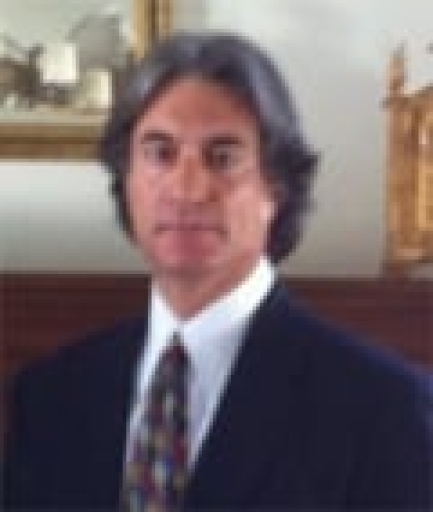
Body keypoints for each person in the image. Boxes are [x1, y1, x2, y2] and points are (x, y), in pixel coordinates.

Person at [3, 31, 432, 511]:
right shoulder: (50, 396)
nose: (186, 189)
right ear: (126, 180)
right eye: (160, 153)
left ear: (277, 187)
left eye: (222, 157)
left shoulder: (383, 409)